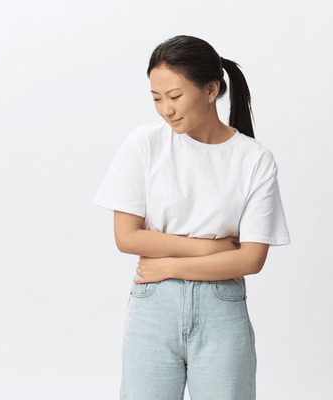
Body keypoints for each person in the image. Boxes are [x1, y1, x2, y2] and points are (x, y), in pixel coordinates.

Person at [92, 35, 291, 400]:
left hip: (220, 308)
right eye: (156, 98)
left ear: (211, 89)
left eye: (175, 96)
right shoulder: (144, 144)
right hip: (153, 308)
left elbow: (250, 259)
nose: (166, 109)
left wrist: (168, 266)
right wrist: (209, 249)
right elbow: (127, 237)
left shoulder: (254, 160)